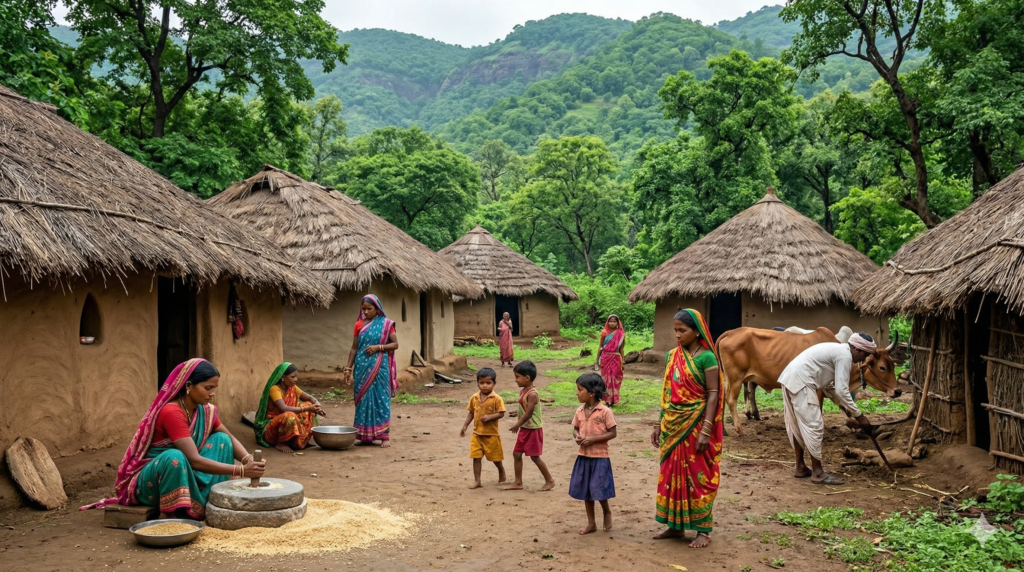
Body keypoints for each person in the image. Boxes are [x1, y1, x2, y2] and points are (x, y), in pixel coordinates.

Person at [80, 359, 265, 519]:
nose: (212, 393)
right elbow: (194, 460)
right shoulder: (172, 412)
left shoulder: (204, 410)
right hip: (155, 479)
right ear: (188, 386)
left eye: (214, 388)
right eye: (207, 388)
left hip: (186, 470)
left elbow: (229, 437)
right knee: (174, 457)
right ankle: (172, 514)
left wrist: (248, 460)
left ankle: (210, 499)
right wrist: (241, 470)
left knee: (222, 439)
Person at [652, 309, 723, 548]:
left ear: (697, 331)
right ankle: (675, 526)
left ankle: (703, 530)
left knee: (698, 475)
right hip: (672, 424)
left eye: (682, 330)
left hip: (696, 424)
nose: (678, 335)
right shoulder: (672, 356)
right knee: (671, 474)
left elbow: (713, 395)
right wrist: (658, 423)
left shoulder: (707, 358)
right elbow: (667, 392)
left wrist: (706, 430)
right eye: (675, 330)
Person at [778, 332, 876, 485]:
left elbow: (829, 385)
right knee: (814, 426)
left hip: (791, 378)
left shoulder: (838, 351)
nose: (864, 359)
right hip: (802, 382)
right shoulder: (845, 356)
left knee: (797, 425)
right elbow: (842, 390)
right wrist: (860, 416)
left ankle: (800, 467)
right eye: (865, 354)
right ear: (856, 349)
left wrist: (843, 405)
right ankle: (818, 473)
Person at [344, 294, 399, 448]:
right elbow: (354, 348)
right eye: (363, 309)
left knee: (381, 398)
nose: (366, 312)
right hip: (361, 367)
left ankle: (384, 436)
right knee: (362, 401)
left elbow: (395, 344)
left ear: (377, 308)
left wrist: (378, 347)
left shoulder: (386, 324)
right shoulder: (358, 325)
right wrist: (348, 368)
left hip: (380, 367)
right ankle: (364, 435)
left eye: (369, 309)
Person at [570, 373, 617, 535]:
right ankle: (591, 523)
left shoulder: (605, 412)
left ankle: (606, 511)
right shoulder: (579, 411)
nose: (577, 393)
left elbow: (612, 433)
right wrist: (577, 436)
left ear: (591, 393)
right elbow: (575, 429)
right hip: (583, 456)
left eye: (580, 389)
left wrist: (593, 439)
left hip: (600, 457)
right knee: (586, 491)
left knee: (599, 489)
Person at [504, 360, 555, 491]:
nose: (515, 380)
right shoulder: (524, 391)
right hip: (525, 428)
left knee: (535, 457)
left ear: (527, 378)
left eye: (517, 377)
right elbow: (525, 409)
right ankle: (518, 482)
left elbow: (529, 414)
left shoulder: (532, 394)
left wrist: (517, 424)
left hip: (533, 429)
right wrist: (517, 412)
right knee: (516, 454)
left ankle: (549, 480)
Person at [255, 362, 327, 453]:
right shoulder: (275, 389)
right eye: (292, 377)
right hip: (272, 429)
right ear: (282, 377)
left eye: (296, 377)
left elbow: (309, 398)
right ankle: (281, 442)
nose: (296, 379)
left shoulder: (292, 387)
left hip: (286, 420)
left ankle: (299, 439)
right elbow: (284, 409)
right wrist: (308, 408)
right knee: (290, 415)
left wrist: (317, 406)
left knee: (308, 404)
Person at [460, 367, 506, 489]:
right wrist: (465, 425)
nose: (485, 385)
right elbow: (471, 412)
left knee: (496, 459)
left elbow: (501, 413)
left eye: (488, 383)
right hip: (477, 434)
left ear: (494, 383)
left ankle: (501, 470)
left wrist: (490, 417)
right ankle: (477, 480)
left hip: (491, 434)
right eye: (482, 383)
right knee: (476, 458)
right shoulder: (474, 398)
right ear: (477, 383)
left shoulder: (496, 398)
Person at [597, 315, 626, 405]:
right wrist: (596, 360)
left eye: (614, 321)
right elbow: (600, 346)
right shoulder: (604, 333)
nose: (612, 323)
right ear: (607, 322)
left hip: (616, 358)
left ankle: (613, 398)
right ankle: (607, 399)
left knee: (615, 378)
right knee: (605, 378)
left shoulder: (620, 334)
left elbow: (621, 349)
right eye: (610, 321)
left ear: (617, 323)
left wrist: (623, 360)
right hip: (605, 357)